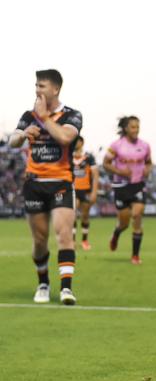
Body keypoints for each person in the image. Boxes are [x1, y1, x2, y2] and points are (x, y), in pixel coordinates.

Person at [8, 69, 82, 305]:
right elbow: (13, 140)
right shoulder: (28, 115)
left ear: (55, 89)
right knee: (40, 240)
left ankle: (66, 289)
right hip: (34, 184)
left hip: (61, 182)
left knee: (64, 234)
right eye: (36, 86)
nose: (37, 90)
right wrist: (23, 135)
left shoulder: (73, 115)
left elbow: (64, 138)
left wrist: (45, 118)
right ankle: (43, 283)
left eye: (42, 86)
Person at [102, 116, 152, 264]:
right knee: (124, 223)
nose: (136, 130)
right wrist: (120, 172)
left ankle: (135, 256)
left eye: (137, 127)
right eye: (133, 127)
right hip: (121, 187)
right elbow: (106, 163)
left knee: (137, 215)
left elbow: (149, 162)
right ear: (125, 128)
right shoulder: (116, 146)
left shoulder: (145, 146)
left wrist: (147, 170)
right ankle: (117, 233)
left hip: (138, 185)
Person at [72, 136, 99, 250]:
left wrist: (94, 192)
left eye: (77, 141)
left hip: (86, 189)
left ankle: (84, 240)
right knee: (72, 215)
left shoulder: (89, 157)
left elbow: (95, 175)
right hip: (72, 189)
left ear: (82, 143)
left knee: (85, 216)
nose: (75, 143)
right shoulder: (68, 157)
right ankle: (72, 241)